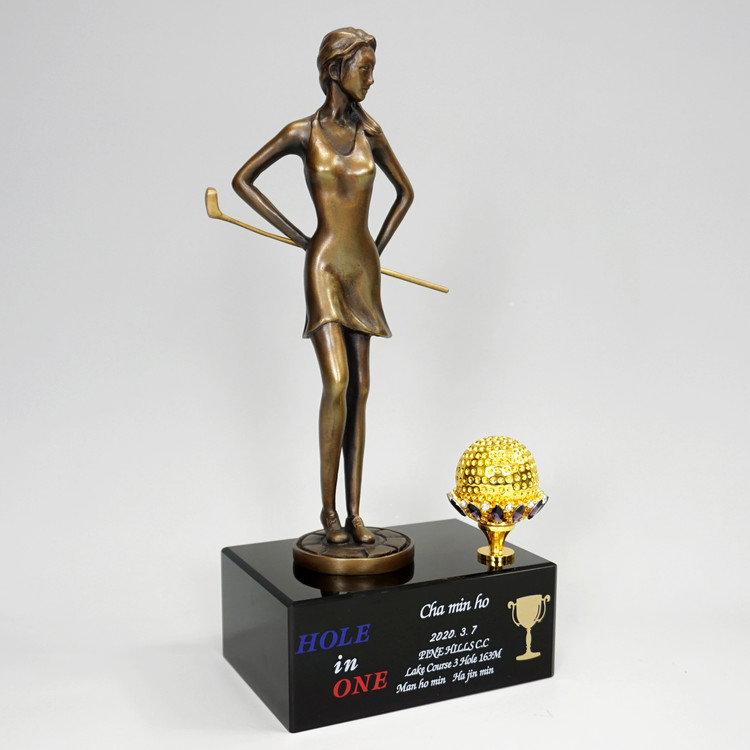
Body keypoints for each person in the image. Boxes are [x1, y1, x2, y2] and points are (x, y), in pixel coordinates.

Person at [232, 28, 414, 544]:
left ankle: (356, 513)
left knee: (361, 389)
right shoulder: (301, 131)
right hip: (325, 267)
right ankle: (328, 511)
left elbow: (405, 192)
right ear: (336, 70)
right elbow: (243, 180)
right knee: (335, 382)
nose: (371, 79)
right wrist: (299, 236)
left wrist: (377, 247)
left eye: (373, 69)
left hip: (363, 271)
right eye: (364, 69)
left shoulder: (371, 133)